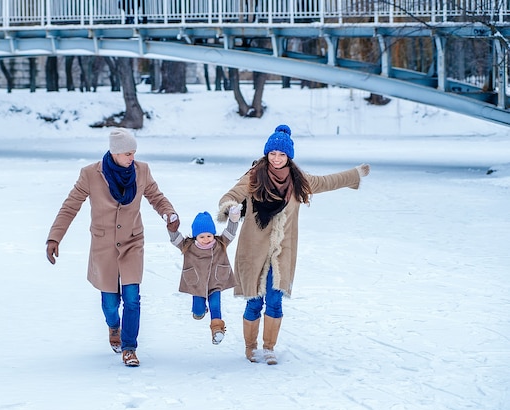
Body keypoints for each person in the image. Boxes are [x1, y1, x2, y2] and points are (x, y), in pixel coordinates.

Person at [217, 124, 370, 365]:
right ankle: (250, 347)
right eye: (272, 154)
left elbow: (327, 181)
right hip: (253, 250)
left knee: (275, 300)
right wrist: (230, 208)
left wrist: (355, 174)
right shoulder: (254, 177)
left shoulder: (299, 182)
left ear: (289, 157)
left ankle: (268, 348)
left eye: (281, 155)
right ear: (266, 154)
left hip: (282, 252)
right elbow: (230, 196)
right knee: (254, 301)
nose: (276, 159)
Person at [45, 127, 180, 367]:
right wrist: (54, 237)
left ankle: (130, 348)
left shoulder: (142, 171)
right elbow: (70, 206)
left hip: (132, 241)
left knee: (132, 298)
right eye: (127, 153)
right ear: (115, 153)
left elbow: (157, 197)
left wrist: (169, 213)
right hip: (103, 245)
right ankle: (113, 326)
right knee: (110, 303)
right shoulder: (90, 174)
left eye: (134, 152)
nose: (132, 158)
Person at [167, 209, 242, 345]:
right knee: (198, 311)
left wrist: (234, 219)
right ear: (196, 237)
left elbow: (230, 232)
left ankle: (217, 330)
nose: (206, 240)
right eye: (202, 237)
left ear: (213, 234)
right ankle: (200, 311)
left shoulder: (220, 244)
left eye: (209, 236)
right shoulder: (188, 246)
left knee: (215, 305)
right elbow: (175, 239)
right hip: (197, 284)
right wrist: (172, 227)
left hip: (216, 282)